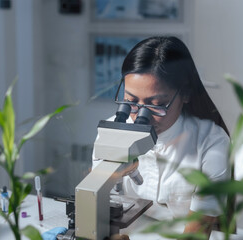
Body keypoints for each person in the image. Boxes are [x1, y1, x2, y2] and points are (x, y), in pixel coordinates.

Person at [93, 36, 230, 239]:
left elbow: (197, 232)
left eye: (156, 104)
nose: (142, 115)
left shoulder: (212, 143)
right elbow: (98, 206)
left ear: (185, 94)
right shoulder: (110, 134)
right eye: (130, 101)